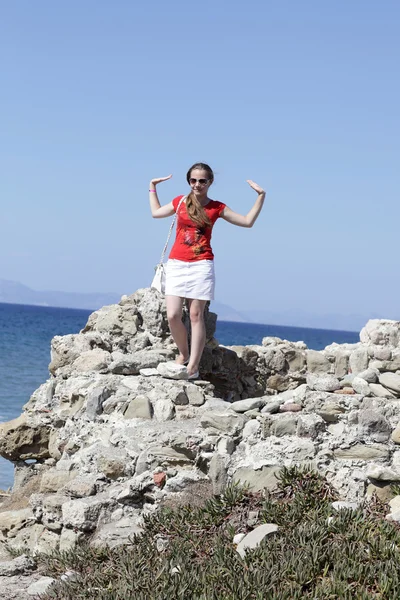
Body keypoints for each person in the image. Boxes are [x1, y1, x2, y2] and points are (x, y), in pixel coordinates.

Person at [149, 162, 265, 379]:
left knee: (195, 314)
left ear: (210, 182)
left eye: (202, 180)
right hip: (176, 263)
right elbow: (156, 213)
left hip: (202, 265)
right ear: (189, 181)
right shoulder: (180, 202)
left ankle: (193, 367)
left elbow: (247, 221)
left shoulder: (217, 207)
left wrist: (260, 196)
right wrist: (152, 186)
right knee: (173, 315)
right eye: (193, 180)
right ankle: (183, 354)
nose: (197, 184)